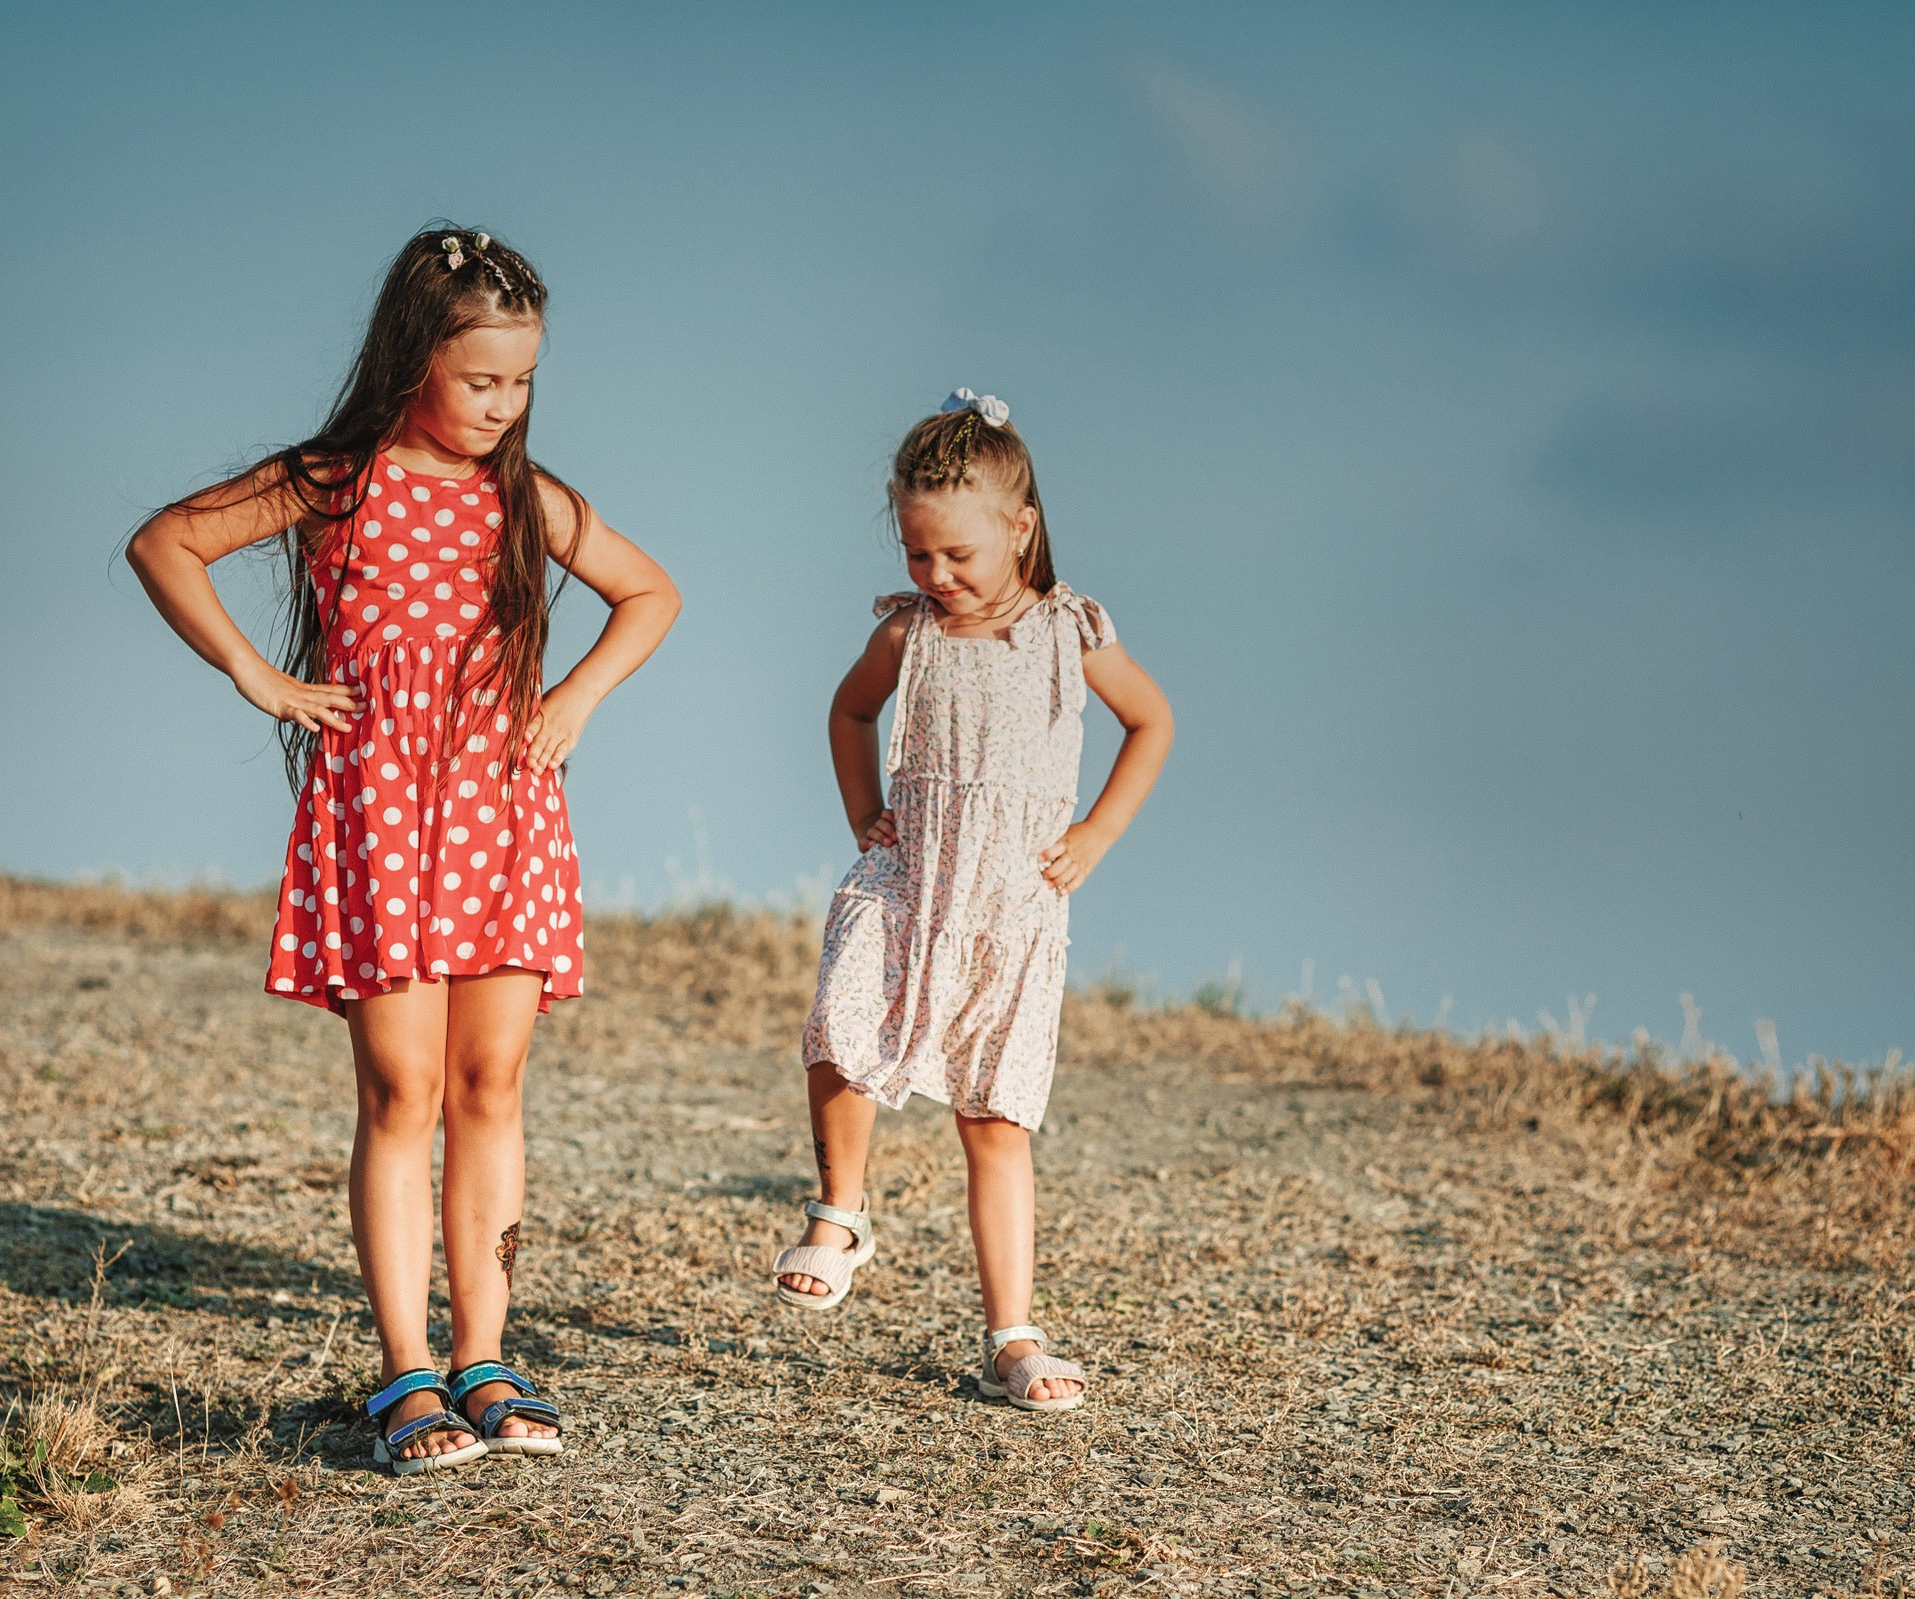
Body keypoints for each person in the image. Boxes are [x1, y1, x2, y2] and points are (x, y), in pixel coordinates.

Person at [129, 227, 679, 1472]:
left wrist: (576, 699)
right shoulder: (335, 480)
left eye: (522, 381)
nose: (503, 405)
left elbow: (650, 594)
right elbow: (166, 540)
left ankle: (486, 1355)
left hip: (504, 817)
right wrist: (257, 676)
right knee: (403, 1095)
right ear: (413, 355)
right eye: (481, 379)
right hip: (379, 815)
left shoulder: (520, 499)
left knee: (491, 1091)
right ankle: (404, 1374)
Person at [776, 389, 1172, 1412]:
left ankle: (1012, 1335)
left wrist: (1097, 832)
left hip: (1011, 907)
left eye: (958, 555)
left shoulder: (1068, 632)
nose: (936, 575)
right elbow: (849, 711)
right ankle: (839, 1214)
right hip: (909, 879)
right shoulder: (909, 634)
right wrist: (864, 809)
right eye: (917, 555)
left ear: (1019, 527)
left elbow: (1152, 722)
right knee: (838, 1026)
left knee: (994, 1121)